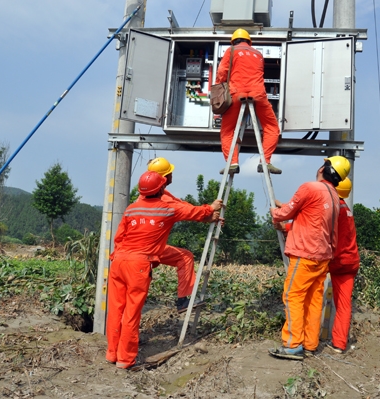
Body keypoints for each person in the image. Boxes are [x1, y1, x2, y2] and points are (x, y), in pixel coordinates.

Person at [106, 171, 223, 369]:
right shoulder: (166, 209)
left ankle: (112, 354)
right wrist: (211, 208)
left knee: (116, 310)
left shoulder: (131, 209)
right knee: (131, 314)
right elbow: (194, 213)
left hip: (118, 262)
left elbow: (119, 238)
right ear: (161, 188)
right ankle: (125, 360)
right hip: (138, 266)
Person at [268, 156, 351, 360]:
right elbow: (309, 216)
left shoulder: (310, 187)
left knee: (292, 296)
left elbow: (284, 213)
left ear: (324, 168)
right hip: (323, 257)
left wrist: (276, 211)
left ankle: (292, 344)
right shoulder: (333, 195)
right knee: (314, 300)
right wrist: (287, 208)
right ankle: (310, 344)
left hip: (305, 254)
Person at [145, 157, 214, 313]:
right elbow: (181, 209)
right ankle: (183, 301)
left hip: (151, 246)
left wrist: (204, 216)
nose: (172, 175)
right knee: (135, 298)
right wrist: (209, 210)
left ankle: (183, 300)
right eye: (170, 172)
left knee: (185, 257)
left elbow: (182, 205)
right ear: (164, 177)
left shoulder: (160, 192)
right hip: (147, 250)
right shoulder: (161, 198)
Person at [215, 28, 281, 175]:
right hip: (258, 93)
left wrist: (219, 88)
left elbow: (221, 72)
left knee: (227, 130)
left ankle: (233, 163)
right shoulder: (258, 54)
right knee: (272, 127)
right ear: (249, 41)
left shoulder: (231, 51)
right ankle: (265, 161)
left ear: (233, 40)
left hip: (236, 94)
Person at [327, 177, 360, 354]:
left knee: (310, 295)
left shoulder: (333, 208)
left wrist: (287, 228)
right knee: (344, 304)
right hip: (351, 261)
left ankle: (308, 337)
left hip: (336, 261)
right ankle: (339, 343)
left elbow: (316, 227)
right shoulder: (347, 209)